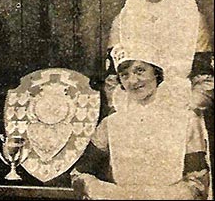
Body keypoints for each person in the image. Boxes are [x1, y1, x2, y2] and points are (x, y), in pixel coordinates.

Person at [72, 42, 211, 200]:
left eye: (140, 71)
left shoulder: (186, 120)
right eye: (125, 75)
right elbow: (80, 174)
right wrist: (110, 193)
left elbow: (198, 182)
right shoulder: (111, 124)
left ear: (156, 73)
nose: (133, 80)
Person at [105, 0, 213, 114]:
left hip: (182, 107)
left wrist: (190, 110)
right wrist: (121, 110)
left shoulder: (193, 18)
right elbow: (113, 78)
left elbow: (205, 77)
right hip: (133, 108)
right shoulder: (122, 21)